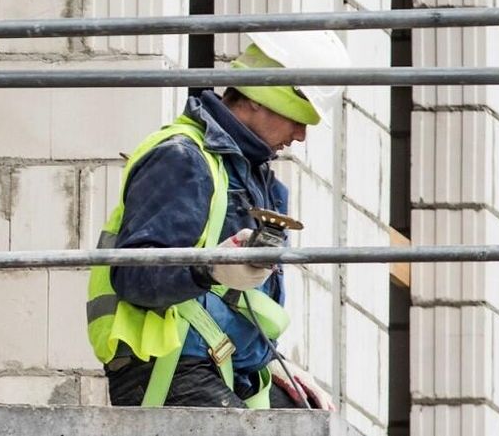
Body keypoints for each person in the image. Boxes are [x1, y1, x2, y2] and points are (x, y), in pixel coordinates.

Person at [87, 31, 348, 410]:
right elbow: (134, 276)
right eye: (298, 117)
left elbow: (234, 303)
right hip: (169, 367)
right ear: (261, 96)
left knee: (312, 420)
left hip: (225, 367)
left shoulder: (254, 181)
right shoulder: (183, 159)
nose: (301, 135)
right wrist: (209, 269)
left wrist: (271, 359)